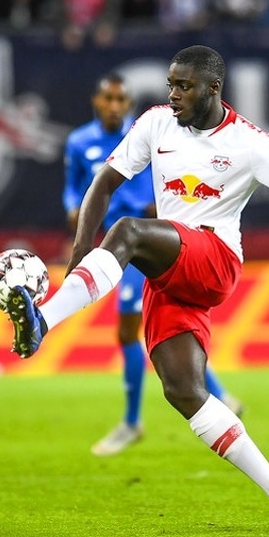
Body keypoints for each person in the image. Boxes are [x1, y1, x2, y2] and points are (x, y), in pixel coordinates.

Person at [6, 45, 269, 537]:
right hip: (173, 276)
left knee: (129, 233)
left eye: (184, 86)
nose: (174, 94)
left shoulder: (249, 142)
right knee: (184, 391)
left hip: (214, 260)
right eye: (171, 85)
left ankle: (43, 322)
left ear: (213, 89)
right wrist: (79, 254)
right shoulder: (156, 123)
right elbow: (102, 184)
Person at [63, 72, 243, 457]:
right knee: (150, 331)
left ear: (128, 104)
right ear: (97, 101)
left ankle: (132, 422)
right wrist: (72, 210)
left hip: (151, 243)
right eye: (108, 98)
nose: (115, 106)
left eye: (121, 100)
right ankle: (220, 396)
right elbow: (74, 186)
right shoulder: (79, 142)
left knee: (137, 330)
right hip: (117, 245)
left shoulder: (154, 132)